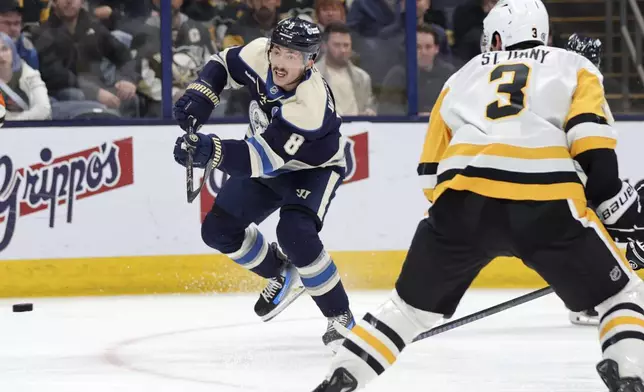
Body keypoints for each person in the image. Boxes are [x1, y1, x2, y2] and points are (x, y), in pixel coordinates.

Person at [312, 1, 644, 391]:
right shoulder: (574, 66)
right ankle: (628, 373)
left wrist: (455, 226)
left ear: (497, 38)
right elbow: (595, 153)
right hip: (547, 205)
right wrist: (620, 219)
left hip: (459, 206)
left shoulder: (462, 76)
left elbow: (429, 176)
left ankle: (343, 374)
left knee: (407, 311)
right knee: (621, 296)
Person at [172, 17, 355, 349]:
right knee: (217, 231)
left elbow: (261, 160)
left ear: (310, 60)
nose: (281, 62)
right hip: (269, 161)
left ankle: (340, 315)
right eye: (278, 51)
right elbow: (223, 64)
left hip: (314, 170)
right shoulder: (259, 54)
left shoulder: (308, 106)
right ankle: (281, 274)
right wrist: (200, 97)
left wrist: (209, 150)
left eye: (293, 56)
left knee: (295, 232)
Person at [0, 32, 51, 121]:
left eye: (4, 49)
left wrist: (16, 122)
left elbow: (43, 109)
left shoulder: (29, 74)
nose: (1, 56)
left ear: (13, 51)